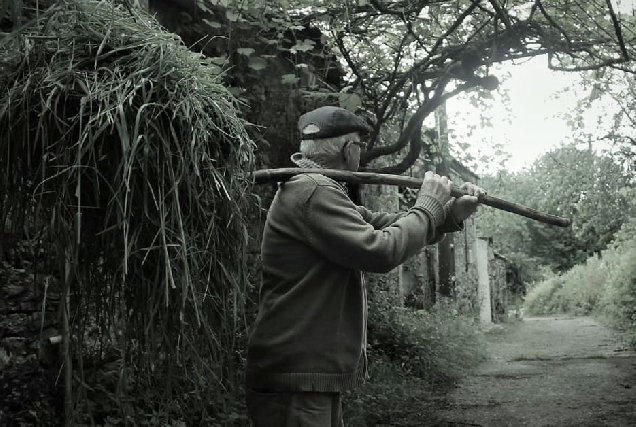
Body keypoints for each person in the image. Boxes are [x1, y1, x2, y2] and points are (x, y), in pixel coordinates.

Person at [245, 106, 485, 427]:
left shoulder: (316, 188)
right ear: (349, 150)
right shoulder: (313, 190)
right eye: (359, 145)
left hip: (305, 373)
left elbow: (378, 224)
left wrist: (449, 212)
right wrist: (427, 206)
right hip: (298, 377)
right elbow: (380, 250)